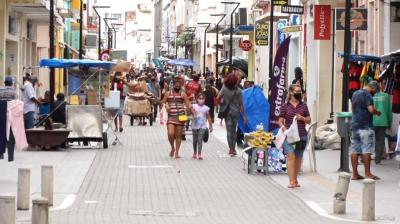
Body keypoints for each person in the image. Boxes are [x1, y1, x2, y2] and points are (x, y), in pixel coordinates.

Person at [278, 84, 311, 188]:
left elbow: (309, 119)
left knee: (298, 157)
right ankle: (291, 180)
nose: (299, 93)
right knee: (290, 156)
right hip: (289, 135)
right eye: (297, 91)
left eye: (300, 91)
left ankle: (295, 179)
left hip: (302, 135)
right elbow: (280, 120)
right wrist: (284, 129)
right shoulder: (285, 106)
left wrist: (302, 118)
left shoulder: (304, 105)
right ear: (291, 92)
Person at [351, 81, 381, 180]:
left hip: (355, 125)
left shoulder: (355, 93)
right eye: (375, 91)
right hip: (365, 126)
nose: (374, 93)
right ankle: (367, 174)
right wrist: (377, 112)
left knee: (355, 150)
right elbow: (371, 109)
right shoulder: (367, 94)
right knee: (366, 149)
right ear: (373, 88)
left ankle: (355, 174)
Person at [161, 78, 194, 159]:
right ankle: (172, 147)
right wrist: (166, 105)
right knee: (170, 134)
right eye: (176, 85)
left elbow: (188, 104)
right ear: (173, 86)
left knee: (178, 136)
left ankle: (177, 152)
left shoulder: (183, 94)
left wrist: (193, 112)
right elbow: (162, 102)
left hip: (180, 117)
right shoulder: (168, 93)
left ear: (180, 86)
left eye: (178, 85)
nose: (177, 86)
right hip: (171, 116)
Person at [217, 73, 247, 156]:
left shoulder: (224, 88)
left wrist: (222, 102)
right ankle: (233, 149)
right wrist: (244, 116)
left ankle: (231, 149)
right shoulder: (239, 91)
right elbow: (241, 105)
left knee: (229, 131)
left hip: (227, 112)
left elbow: (218, 98)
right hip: (235, 112)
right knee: (234, 131)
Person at [372, 82, 392, 164]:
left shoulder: (372, 97)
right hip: (383, 121)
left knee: (371, 140)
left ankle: (365, 158)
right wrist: (389, 121)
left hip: (373, 121)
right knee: (380, 141)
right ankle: (377, 160)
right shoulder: (385, 96)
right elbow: (388, 110)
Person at [191, 93, 213, 160]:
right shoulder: (194, 106)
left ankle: (199, 154)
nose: (201, 100)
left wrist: (210, 126)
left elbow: (208, 117)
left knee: (200, 139)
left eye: (202, 99)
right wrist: (193, 115)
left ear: (204, 99)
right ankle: (194, 152)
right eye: (199, 98)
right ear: (197, 99)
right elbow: (189, 108)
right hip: (195, 125)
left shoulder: (206, 108)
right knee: (195, 140)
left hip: (203, 126)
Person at [0, 76, 17, 161]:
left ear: (4, 83)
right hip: (12, 114)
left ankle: (1, 153)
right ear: (12, 83)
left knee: (1, 133)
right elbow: (16, 103)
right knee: (11, 134)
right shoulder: (14, 92)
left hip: (2, 113)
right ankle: (10, 157)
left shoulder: (1, 91)